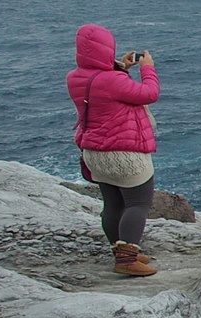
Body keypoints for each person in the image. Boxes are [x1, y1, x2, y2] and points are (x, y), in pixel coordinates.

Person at [66, 23, 160, 276]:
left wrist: (121, 67)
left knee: (112, 204)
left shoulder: (75, 78)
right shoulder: (112, 80)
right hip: (124, 153)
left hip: (94, 152)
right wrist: (147, 68)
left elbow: (104, 84)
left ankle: (119, 250)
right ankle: (128, 259)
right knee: (137, 203)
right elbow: (148, 93)